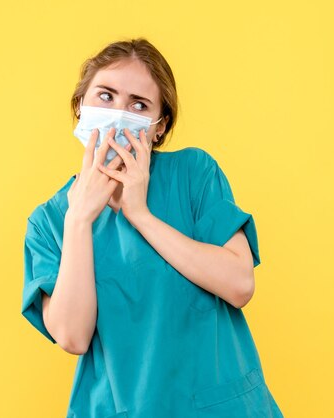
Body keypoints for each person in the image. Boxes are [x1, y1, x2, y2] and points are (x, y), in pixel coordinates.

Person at [22, 38, 284, 418]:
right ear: (81, 105)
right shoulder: (49, 221)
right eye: (106, 96)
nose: (117, 113)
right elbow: (72, 336)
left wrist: (140, 214)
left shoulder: (193, 174)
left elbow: (240, 284)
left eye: (138, 105)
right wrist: (79, 218)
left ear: (158, 128)